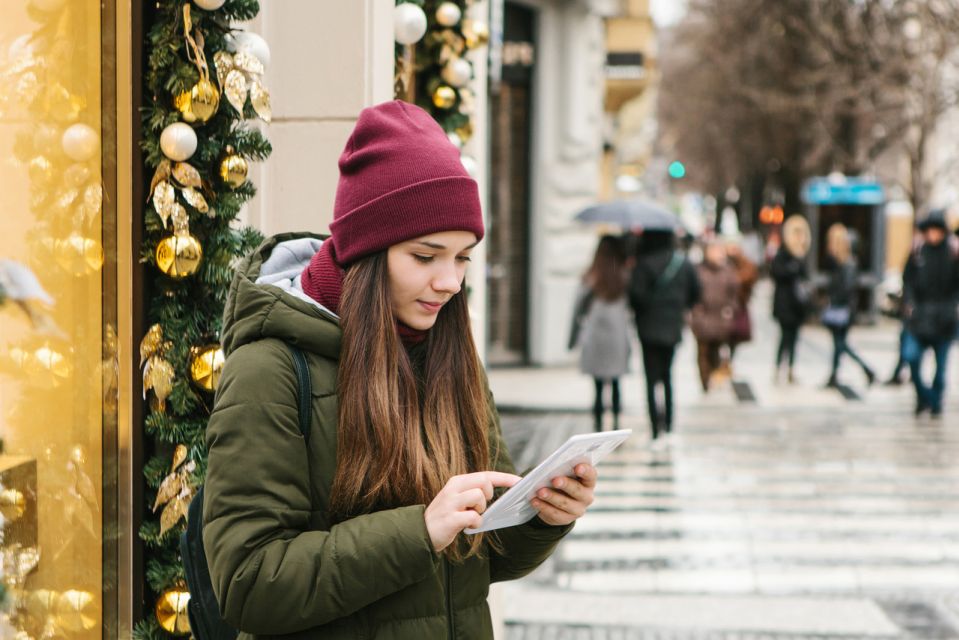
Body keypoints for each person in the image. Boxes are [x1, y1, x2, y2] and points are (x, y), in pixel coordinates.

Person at [202, 101, 597, 639]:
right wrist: (419, 532)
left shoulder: (450, 351)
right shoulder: (269, 368)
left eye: (462, 258)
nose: (449, 282)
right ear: (367, 250)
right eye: (426, 256)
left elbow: (481, 557)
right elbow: (249, 584)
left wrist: (546, 516)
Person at [628, 231, 700, 445]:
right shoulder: (683, 263)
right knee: (668, 376)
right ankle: (669, 426)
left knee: (651, 379)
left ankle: (655, 429)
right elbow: (696, 292)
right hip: (672, 326)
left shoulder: (643, 263)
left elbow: (635, 297)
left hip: (648, 327)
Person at [569, 235, 632, 431]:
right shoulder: (624, 276)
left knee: (597, 387)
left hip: (596, 336)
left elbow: (577, 309)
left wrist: (571, 339)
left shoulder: (591, 276)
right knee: (615, 384)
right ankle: (615, 424)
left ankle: (597, 425)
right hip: (617, 337)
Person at [901, 210, 959, 417]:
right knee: (911, 356)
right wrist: (910, 304)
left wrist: (953, 307)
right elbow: (907, 280)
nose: (933, 235)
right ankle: (926, 397)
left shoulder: (953, 253)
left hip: (945, 319)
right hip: (920, 318)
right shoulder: (918, 252)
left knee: (941, 368)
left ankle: (935, 404)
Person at [821, 224, 876, 388]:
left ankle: (867, 369)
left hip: (843, 310)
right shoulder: (839, 263)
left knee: (841, 345)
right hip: (841, 309)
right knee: (839, 345)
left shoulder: (848, 264)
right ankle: (834, 376)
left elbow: (846, 289)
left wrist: (833, 300)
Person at [690, 240, 739, 392]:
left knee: (716, 350)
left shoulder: (728, 271)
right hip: (703, 317)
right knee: (702, 351)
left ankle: (713, 375)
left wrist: (729, 311)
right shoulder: (698, 270)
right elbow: (691, 293)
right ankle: (705, 379)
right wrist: (695, 313)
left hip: (720, 318)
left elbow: (734, 295)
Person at [771, 215, 812, 383]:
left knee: (795, 338)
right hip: (784, 304)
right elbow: (776, 273)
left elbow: (805, 279)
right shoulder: (783, 254)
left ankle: (791, 369)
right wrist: (792, 269)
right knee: (784, 337)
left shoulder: (802, 256)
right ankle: (778, 368)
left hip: (798, 305)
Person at [725, 239, 759, 364]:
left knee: (735, 336)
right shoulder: (723, 262)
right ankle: (723, 365)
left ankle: (728, 364)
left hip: (739, 305)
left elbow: (748, 276)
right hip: (721, 308)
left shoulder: (745, 265)